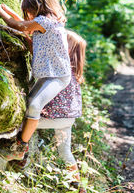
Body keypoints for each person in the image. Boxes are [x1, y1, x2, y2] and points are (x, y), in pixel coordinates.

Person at [0, 0, 71, 161]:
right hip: (50, 74)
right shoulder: (50, 22)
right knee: (29, 105)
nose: (28, 15)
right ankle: (22, 154)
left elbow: (19, 25)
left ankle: (20, 147)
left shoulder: (44, 21)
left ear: (37, 6)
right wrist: (8, 10)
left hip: (58, 76)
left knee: (35, 105)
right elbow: (24, 25)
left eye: (28, 10)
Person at [36, 30, 87, 191]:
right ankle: (80, 187)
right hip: (68, 118)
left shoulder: (61, 69)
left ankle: (18, 153)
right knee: (65, 151)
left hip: (58, 117)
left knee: (24, 124)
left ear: (69, 49)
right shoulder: (74, 72)